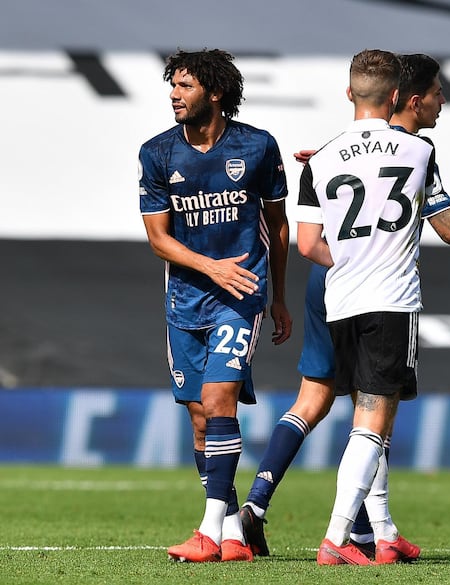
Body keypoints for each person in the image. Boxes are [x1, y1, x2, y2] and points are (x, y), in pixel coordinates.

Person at [238, 52, 450, 563]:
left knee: (332, 404)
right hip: (389, 299)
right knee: (373, 421)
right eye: (437, 93)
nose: (441, 101)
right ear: (400, 97)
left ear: (348, 93)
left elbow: (309, 243)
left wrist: (352, 259)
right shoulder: (419, 151)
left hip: (338, 293)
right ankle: (338, 538)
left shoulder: (324, 157)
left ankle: (378, 531)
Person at [138, 48, 292, 563]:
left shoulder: (257, 147)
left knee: (220, 398)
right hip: (185, 300)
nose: (174, 95)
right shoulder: (157, 153)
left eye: (184, 86)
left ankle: (207, 534)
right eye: (172, 86)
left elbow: (278, 225)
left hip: (242, 294)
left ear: (215, 93)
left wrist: (281, 297)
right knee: (201, 417)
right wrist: (209, 268)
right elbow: (159, 239)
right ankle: (232, 531)